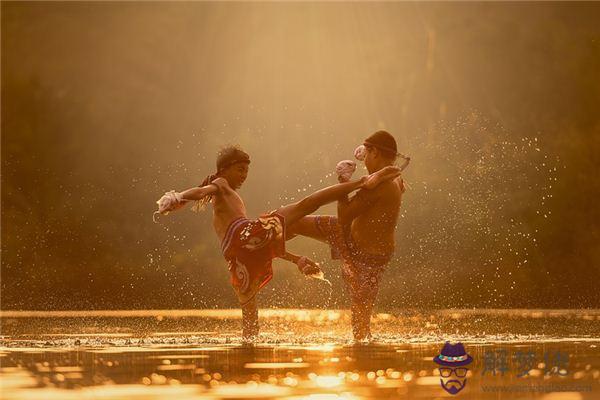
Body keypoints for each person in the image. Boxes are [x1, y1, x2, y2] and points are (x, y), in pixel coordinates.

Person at [155, 145, 401, 340]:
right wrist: (178, 195)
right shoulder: (220, 184)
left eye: (246, 171)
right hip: (245, 234)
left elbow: (260, 247)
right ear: (225, 169)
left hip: (237, 255)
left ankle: (247, 357)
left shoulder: (222, 202)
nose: (243, 176)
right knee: (306, 204)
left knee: (250, 323)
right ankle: (359, 182)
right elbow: (200, 192)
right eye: (240, 170)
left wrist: (297, 260)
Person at [287, 131, 409, 341]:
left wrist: (344, 181)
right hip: (350, 236)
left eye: (367, 155)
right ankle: (264, 243)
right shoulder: (394, 176)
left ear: (375, 153)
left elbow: (343, 215)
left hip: (368, 258)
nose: (365, 163)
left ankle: (365, 362)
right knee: (294, 222)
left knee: (360, 329)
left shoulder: (382, 183)